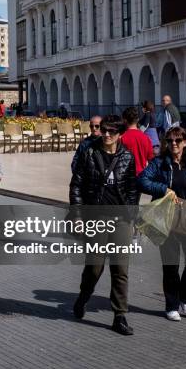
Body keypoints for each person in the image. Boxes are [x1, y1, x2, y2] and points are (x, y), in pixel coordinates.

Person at [70, 115, 137, 336]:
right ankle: (83, 297)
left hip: (121, 220)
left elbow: (131, 189)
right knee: (94, 268)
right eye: (104, 130)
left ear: (120, 134)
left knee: (120, 269)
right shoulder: (90, 152)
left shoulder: (127, 156)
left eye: (111, 132)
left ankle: (120, 315)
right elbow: (77, 184)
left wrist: (132, 217)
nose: (106, 135)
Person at [138, 126, 186, 322]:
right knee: (170, 264)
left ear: (185, 143)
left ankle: (185, 299)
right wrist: (163, 188)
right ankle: (171, 305)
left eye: (178, 141)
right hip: (167, 218)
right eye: (170, 140)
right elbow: (142, 180)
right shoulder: (159, 163)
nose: (174, 144)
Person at [121, 107, 154, 177]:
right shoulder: (146, 138)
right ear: (137, 119)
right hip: (142, 175)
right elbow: (151, 159)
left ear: (124, 120)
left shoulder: (122, 138)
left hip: (126, 176)